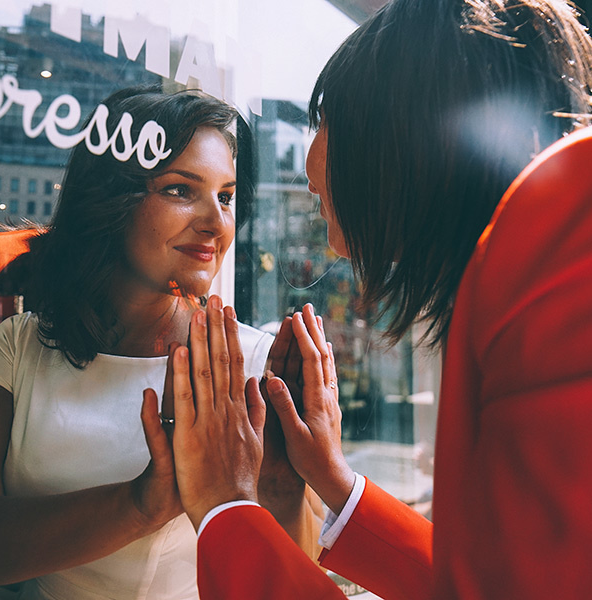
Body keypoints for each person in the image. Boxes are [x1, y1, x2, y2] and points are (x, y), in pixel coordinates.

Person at [162, 1, 592, 599]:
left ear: (400, 131)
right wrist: (334, 482)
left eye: (325, 119)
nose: (308, 166)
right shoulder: (539, 243)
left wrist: (225, 508)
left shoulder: (563, 249)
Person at [0, 85, 321, 600]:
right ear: (111, 199)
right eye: (181, 190)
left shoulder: (252, 368)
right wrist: (140, 504)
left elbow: (298, 578)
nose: (216, 222)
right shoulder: (18, 347)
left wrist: (285, 486)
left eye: (225, 197)